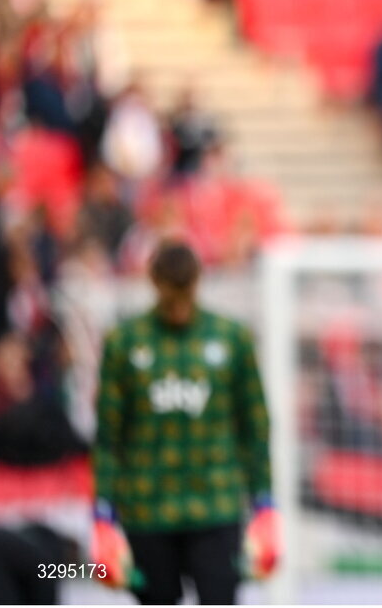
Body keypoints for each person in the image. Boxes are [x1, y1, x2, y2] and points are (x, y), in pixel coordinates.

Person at [91, 239, 277, 604]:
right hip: (147, 507)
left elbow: (255, 424)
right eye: (169, 295)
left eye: (185, 294)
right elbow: (108, 434)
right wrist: (102, 511)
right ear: (153, 283)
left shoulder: (231, 338)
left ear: (197, 282)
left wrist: (265, 501)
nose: (178, 308)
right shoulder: (124, 343)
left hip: (216, 504)